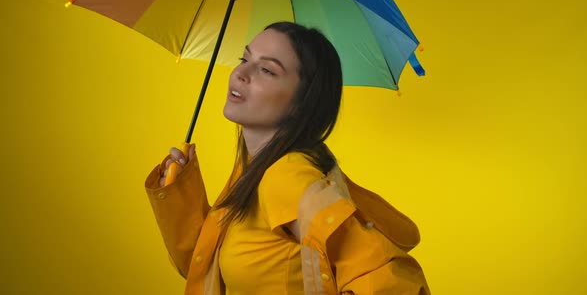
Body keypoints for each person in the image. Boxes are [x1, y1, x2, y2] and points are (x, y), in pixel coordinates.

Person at [145, 22, 430, 294]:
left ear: (302, 102)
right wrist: (180, 191)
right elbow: (204, 268)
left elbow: (387, 281)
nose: (241, 74)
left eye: (267, 71)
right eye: (244, 59)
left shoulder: (287, 178)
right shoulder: (252, 169)